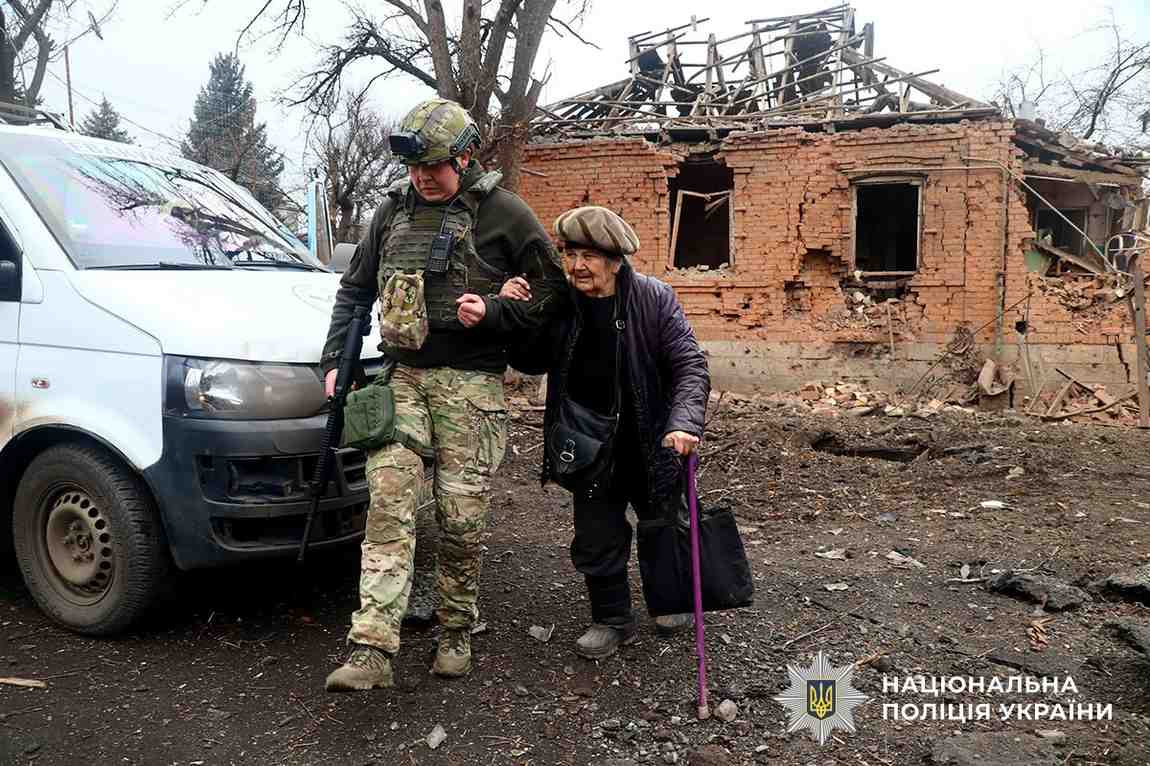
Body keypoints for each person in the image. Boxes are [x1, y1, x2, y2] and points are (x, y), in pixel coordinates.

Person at [320, 98, 568, 692]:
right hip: (401, 378)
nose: (423, 177)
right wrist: (337, 360)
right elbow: (354, 293)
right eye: (415, 168)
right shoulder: (390, 213)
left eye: (435, 166)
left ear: (464, 157)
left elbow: (554, 293)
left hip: (472, 386)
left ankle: (457, 627)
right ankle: (372, 647)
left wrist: (501, 311)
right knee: (389, 503)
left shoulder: (504, 213)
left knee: (460, 517)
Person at [505, 205, 710, 659]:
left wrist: (683, 421)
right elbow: (530, 360)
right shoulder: (561, 302)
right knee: (596, 534)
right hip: (587, 438)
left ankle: (670, 601)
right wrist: (518, 314)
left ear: (615, 260)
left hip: (649, 433)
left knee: (662, 522)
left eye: (590, 256)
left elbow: (689, 365)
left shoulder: (654, 298)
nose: (578, 266)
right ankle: (611, 618)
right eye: (571, 254)